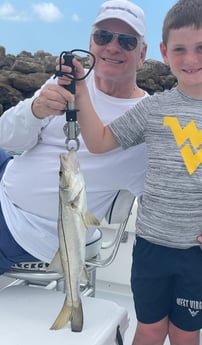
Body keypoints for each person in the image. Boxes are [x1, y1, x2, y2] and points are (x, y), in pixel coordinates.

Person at [61, 0, 202, 344]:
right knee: (150, 328)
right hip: (151, 248)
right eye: (179, 49)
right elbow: (100, 141)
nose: (190, 59)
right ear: (165, 53)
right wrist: (79, 90)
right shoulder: (152, 107)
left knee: (186, 332)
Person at [0, 0, 148, 273]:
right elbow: (7, 138)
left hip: (27, 229)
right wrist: (34, 111)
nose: (112, 47)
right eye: (103, 36)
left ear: (142, 54)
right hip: (5, 180)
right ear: (91, 43)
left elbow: (165, 197)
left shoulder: (146, 121)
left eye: (126, 41)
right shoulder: (65, 83)